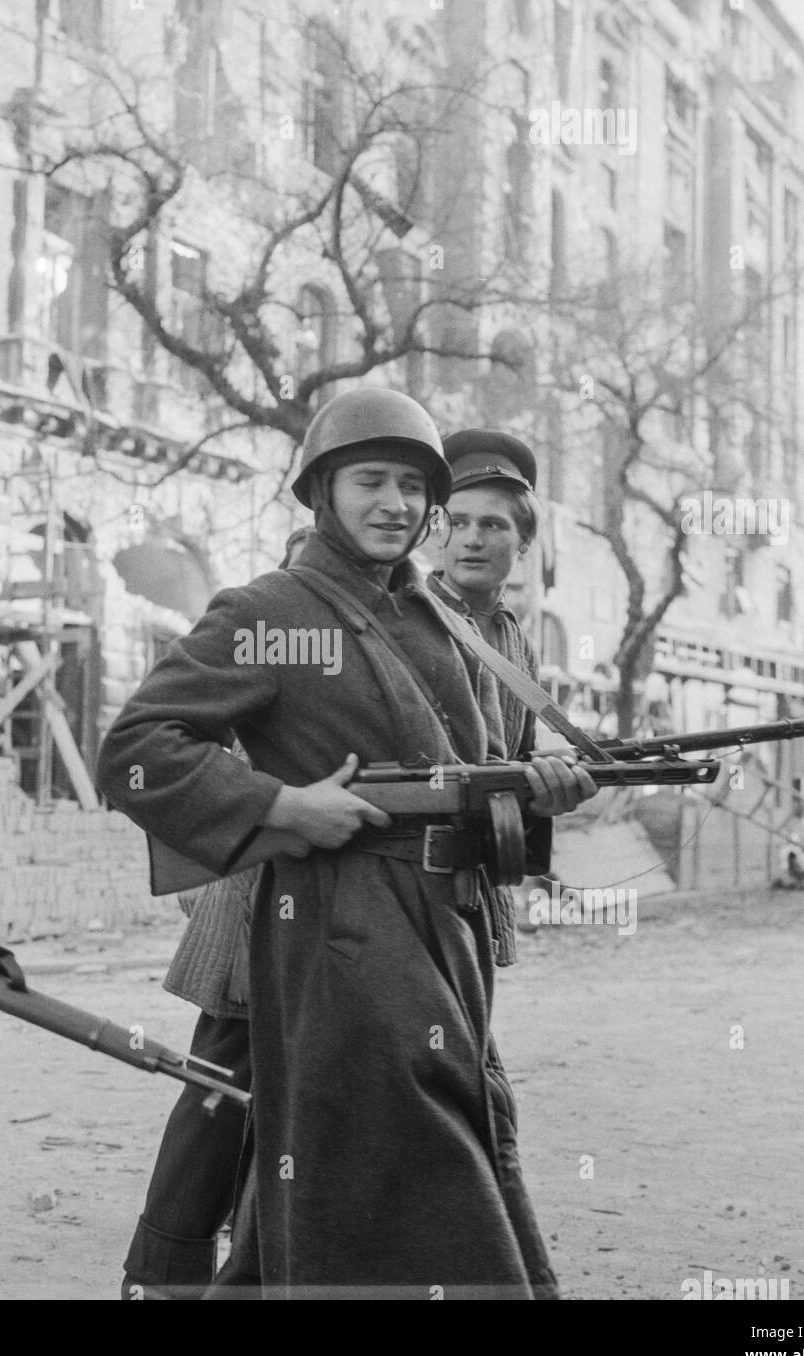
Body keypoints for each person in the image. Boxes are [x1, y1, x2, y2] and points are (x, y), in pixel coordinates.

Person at [99, 387, 595, 1298]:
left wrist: (537, 799)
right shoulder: (272, 609)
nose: (395, 505)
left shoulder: (443, 623)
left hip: (446, 933)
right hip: (339, 930)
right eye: (371, 481)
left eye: (412, 487)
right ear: (321, 490)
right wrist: (280, 806)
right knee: (420, 1153)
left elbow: (473, 783)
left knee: (345, 1169)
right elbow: (136, 751)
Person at [121, 527, 313, 1300]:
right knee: (216, 1100)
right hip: (250, 912)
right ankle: (162, 1274)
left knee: (279, 1105)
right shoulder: (260, 642)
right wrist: (214, 884)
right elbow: (157, 756)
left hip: (317, 916)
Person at [427, 429, 543, 955]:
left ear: (523, 541)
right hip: (406, 878)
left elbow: (519, 759)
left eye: (493, 524)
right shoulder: (408, 616)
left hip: (469, 881)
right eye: (457, 522)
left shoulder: (515, 641)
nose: (471, 539)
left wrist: (547, 789)